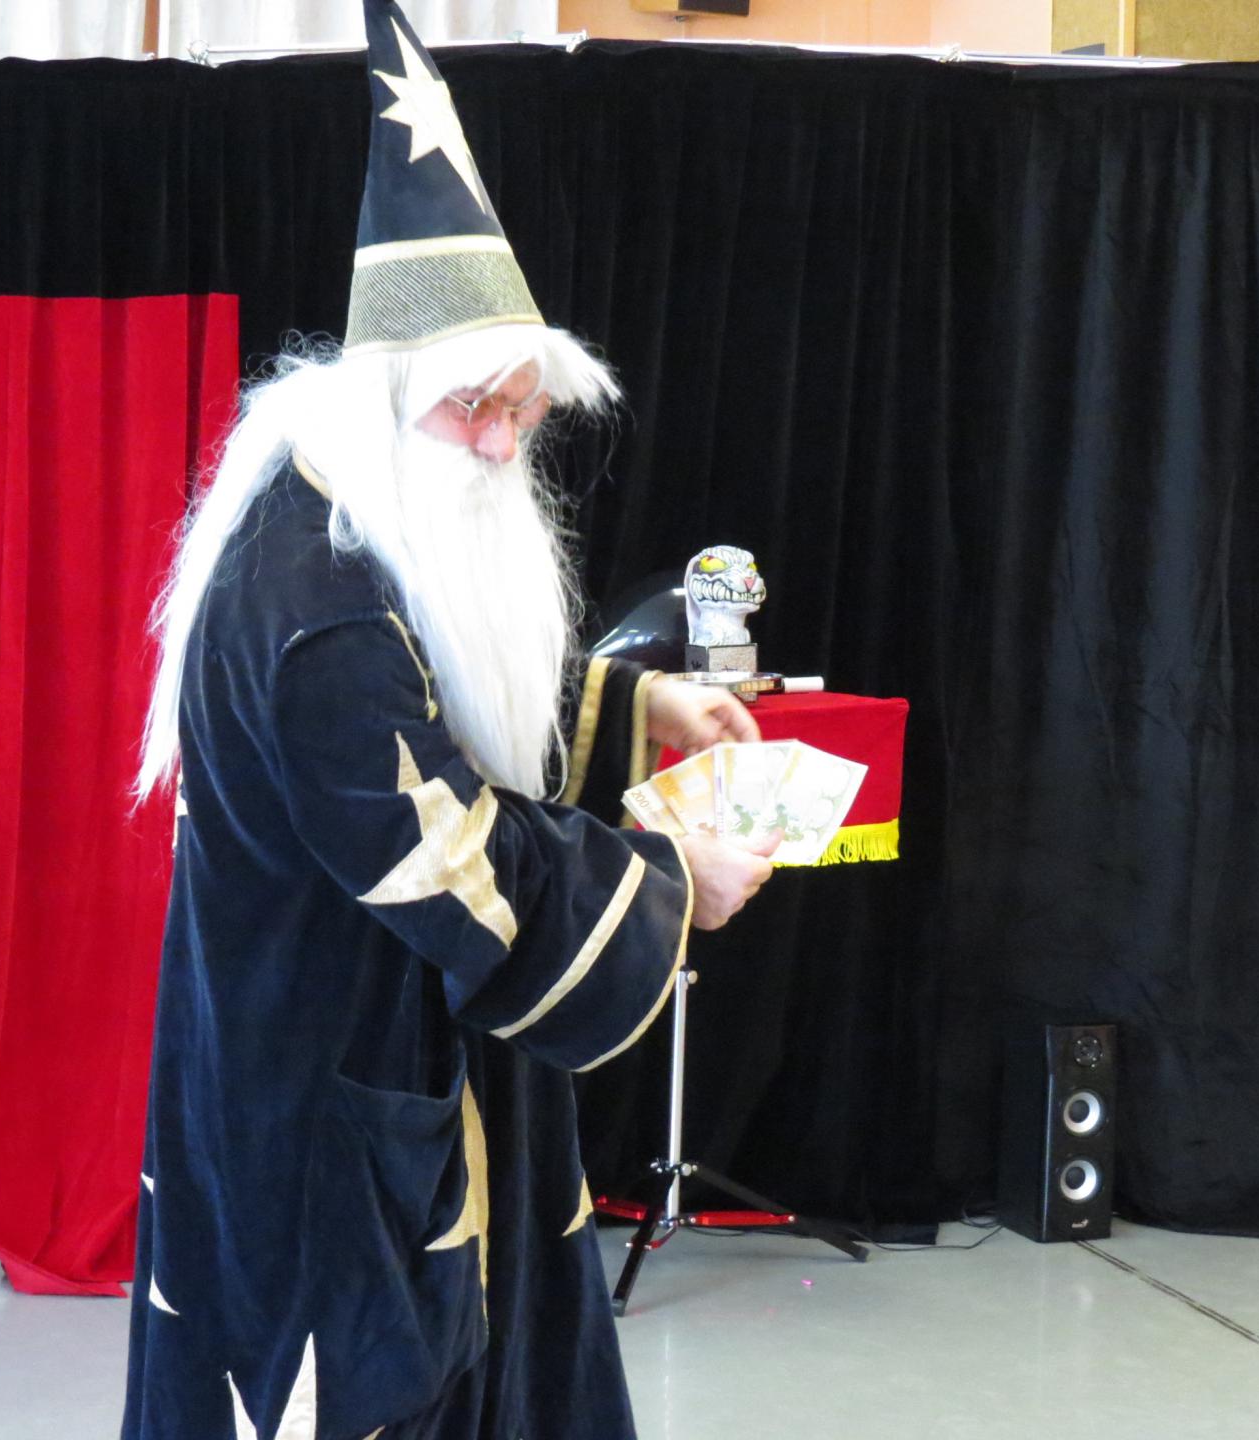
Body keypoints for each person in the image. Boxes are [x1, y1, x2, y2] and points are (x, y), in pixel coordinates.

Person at [122, 5, 776, 1436]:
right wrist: (672, 883)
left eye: (522, 413)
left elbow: (446, 705)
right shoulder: (317, 612)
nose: (498, 445)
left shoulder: (349, 515)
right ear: (385, 395)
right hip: (326, 1115)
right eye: (471, 408)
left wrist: (635, 701)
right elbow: (455, 860)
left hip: (383, 1072)